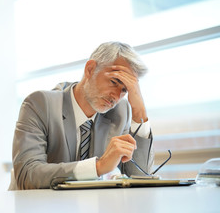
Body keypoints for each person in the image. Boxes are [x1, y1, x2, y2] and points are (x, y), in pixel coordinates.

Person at [10, 41, 154, 190]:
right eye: (114, 82)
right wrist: (98, 166)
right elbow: (27, 175)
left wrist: (139, 113)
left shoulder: (120, 111)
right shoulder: (40, 104)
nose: (116, 97)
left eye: (125, 90)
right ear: (90, 69)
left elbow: (140, 178)